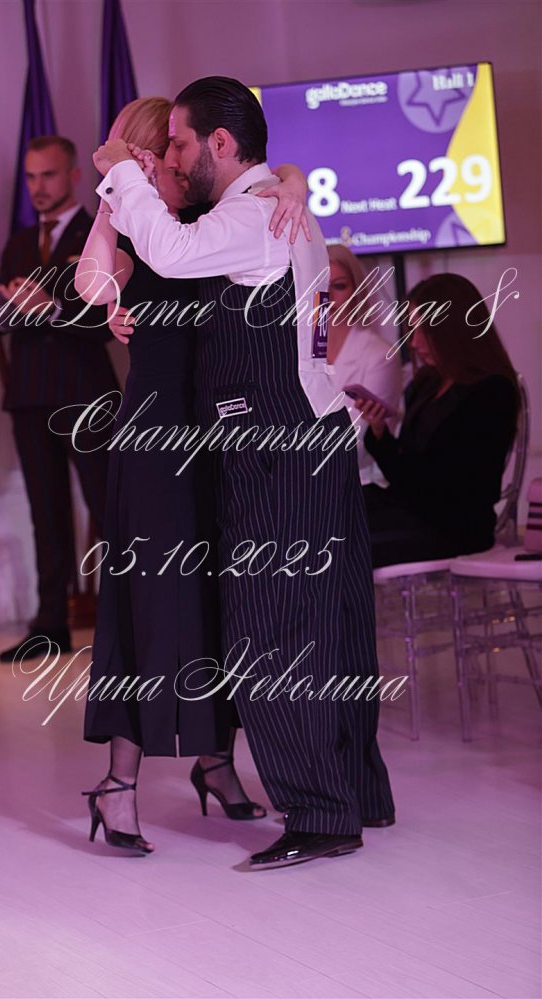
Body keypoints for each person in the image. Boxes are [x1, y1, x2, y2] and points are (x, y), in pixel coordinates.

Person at [94, 76, 394, 871]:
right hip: (315, 437)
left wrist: (118, 169)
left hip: (276, 447)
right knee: (334, 626)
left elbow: (169, 249)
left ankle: (321, 813)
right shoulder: (278, 204)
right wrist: (291, 176)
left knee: (275, 631)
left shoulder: (254, 214)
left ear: (221, 145)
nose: (173, 157)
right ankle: (357, 790)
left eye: (181, 144)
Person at [77, 98, 309, 854]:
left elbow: (267, 182)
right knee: (149, 605)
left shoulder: (212, 218)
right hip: (153, 443)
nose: (174, 159)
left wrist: (295, 179)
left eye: (172, 149)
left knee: (221, 603)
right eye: (163, 149)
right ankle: (118, 785)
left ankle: (216, 761)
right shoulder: (137, 224)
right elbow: (90, 285)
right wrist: (112, 203)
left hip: (218, 437)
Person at [0, 136, 119, 661]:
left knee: (108, 507)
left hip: (85, 393)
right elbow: (5, 327)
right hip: (31, 395)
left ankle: (127, 618)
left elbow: (106, 322)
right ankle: (50, 624)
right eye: (31, 177)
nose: (38, 187)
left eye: (48, 175)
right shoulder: (18, 244)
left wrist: (52, 309)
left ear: (74, 175)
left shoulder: (97, 233)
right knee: (45, 513)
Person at [357, 273, 520, 568]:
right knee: (330, 510)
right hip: (412, 508)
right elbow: (408, 470)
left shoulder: (492, 392)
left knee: (342, 539)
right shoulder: (428, 381)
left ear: (453, 329)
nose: (415, 343)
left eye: (425, 331)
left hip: (453, 527)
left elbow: (447, 486)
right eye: (412, 330)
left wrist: (391, 455)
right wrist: (380, 432)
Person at [326, 245, 402, 484]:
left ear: (357, 290)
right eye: (319, 286)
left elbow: (363, 444)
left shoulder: (380, 355)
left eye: (339, 286)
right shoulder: (297, 351)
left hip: (361, 485)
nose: (328, 296)